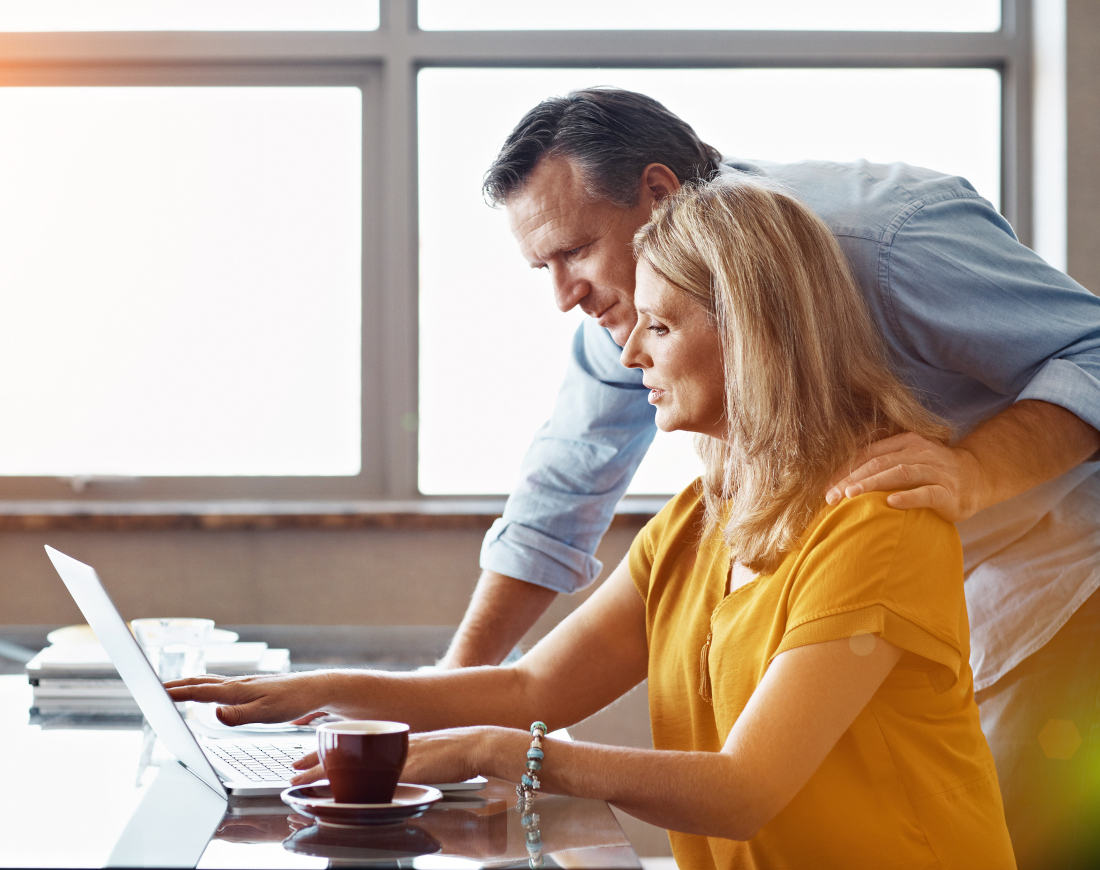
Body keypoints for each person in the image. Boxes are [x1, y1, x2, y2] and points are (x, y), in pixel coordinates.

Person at [170, 178, 1016, 868]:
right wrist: (328, 691)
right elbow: (531, 689)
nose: (629, 354)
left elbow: (745, 789)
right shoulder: (698, 520)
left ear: (755, 334)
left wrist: (492, 753)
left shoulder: (881, 529)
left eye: (660, 325)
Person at [439, 88, 1100, 868]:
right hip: (886, 584)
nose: (564, 295)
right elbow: (560, 495)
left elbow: (1091, 353)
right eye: (542, 265)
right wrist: (454, 691)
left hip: (1052, 580)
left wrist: (970, 470)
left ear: (657, 193)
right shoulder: (633, 309)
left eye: (575, 250)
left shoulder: (887, 241)